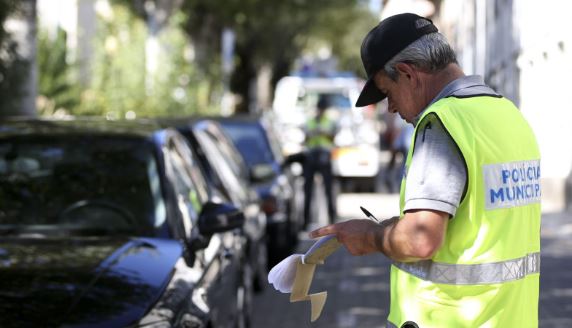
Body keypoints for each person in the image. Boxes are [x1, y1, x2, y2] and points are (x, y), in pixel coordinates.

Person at [310, 13, 541, 327]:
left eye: (387, 93)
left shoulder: (443, 124)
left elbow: (421, 239)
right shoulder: (508, 115)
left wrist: (368, 236)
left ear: (407, 74)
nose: (390, 108)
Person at [303, 95, 337, 227]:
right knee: (308, 191)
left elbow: (333, 137)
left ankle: (332, 218)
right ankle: (306, 220)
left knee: (329, 190)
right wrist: (312, 133)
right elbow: (305, 139)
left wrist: (323, 132)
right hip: (311, 157)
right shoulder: (310, 121)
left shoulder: (329, 121)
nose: (320, 111)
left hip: (324, 157)